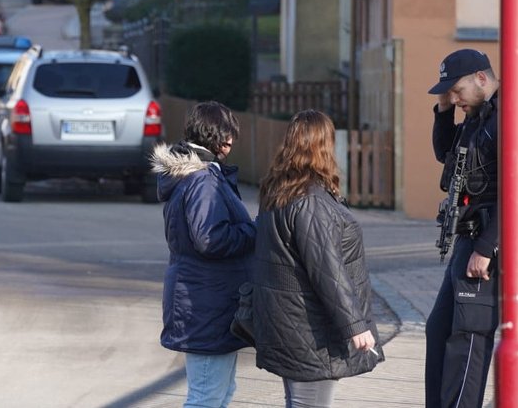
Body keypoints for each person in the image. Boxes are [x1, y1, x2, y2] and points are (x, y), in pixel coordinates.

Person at [253, 110, 382, 408]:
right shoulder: (310, 200)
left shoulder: (279, 191)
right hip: (309, 328)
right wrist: (355, 325)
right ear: (323, 146)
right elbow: (327, 270)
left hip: (288, 320)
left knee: (299, 402)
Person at [150, 101, 256, 408]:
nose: (232, 142)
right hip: (205, 302)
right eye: (229, 135)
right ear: (217, 137)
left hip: (208, 299)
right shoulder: (202, 180)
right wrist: (256, 230)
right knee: (206, 397)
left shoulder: (199, 176)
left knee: (220, 392)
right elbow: (211, 239)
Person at [425, 49, 499, 408]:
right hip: (467, 240)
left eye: (457, 91)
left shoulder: (506, 118)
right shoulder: (477, 116)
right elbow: (445, 152)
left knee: (468, 336)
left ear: (481, 78)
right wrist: (443, 108)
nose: (454, 99)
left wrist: (486, 248)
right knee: (438, 331)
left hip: (486, 245)